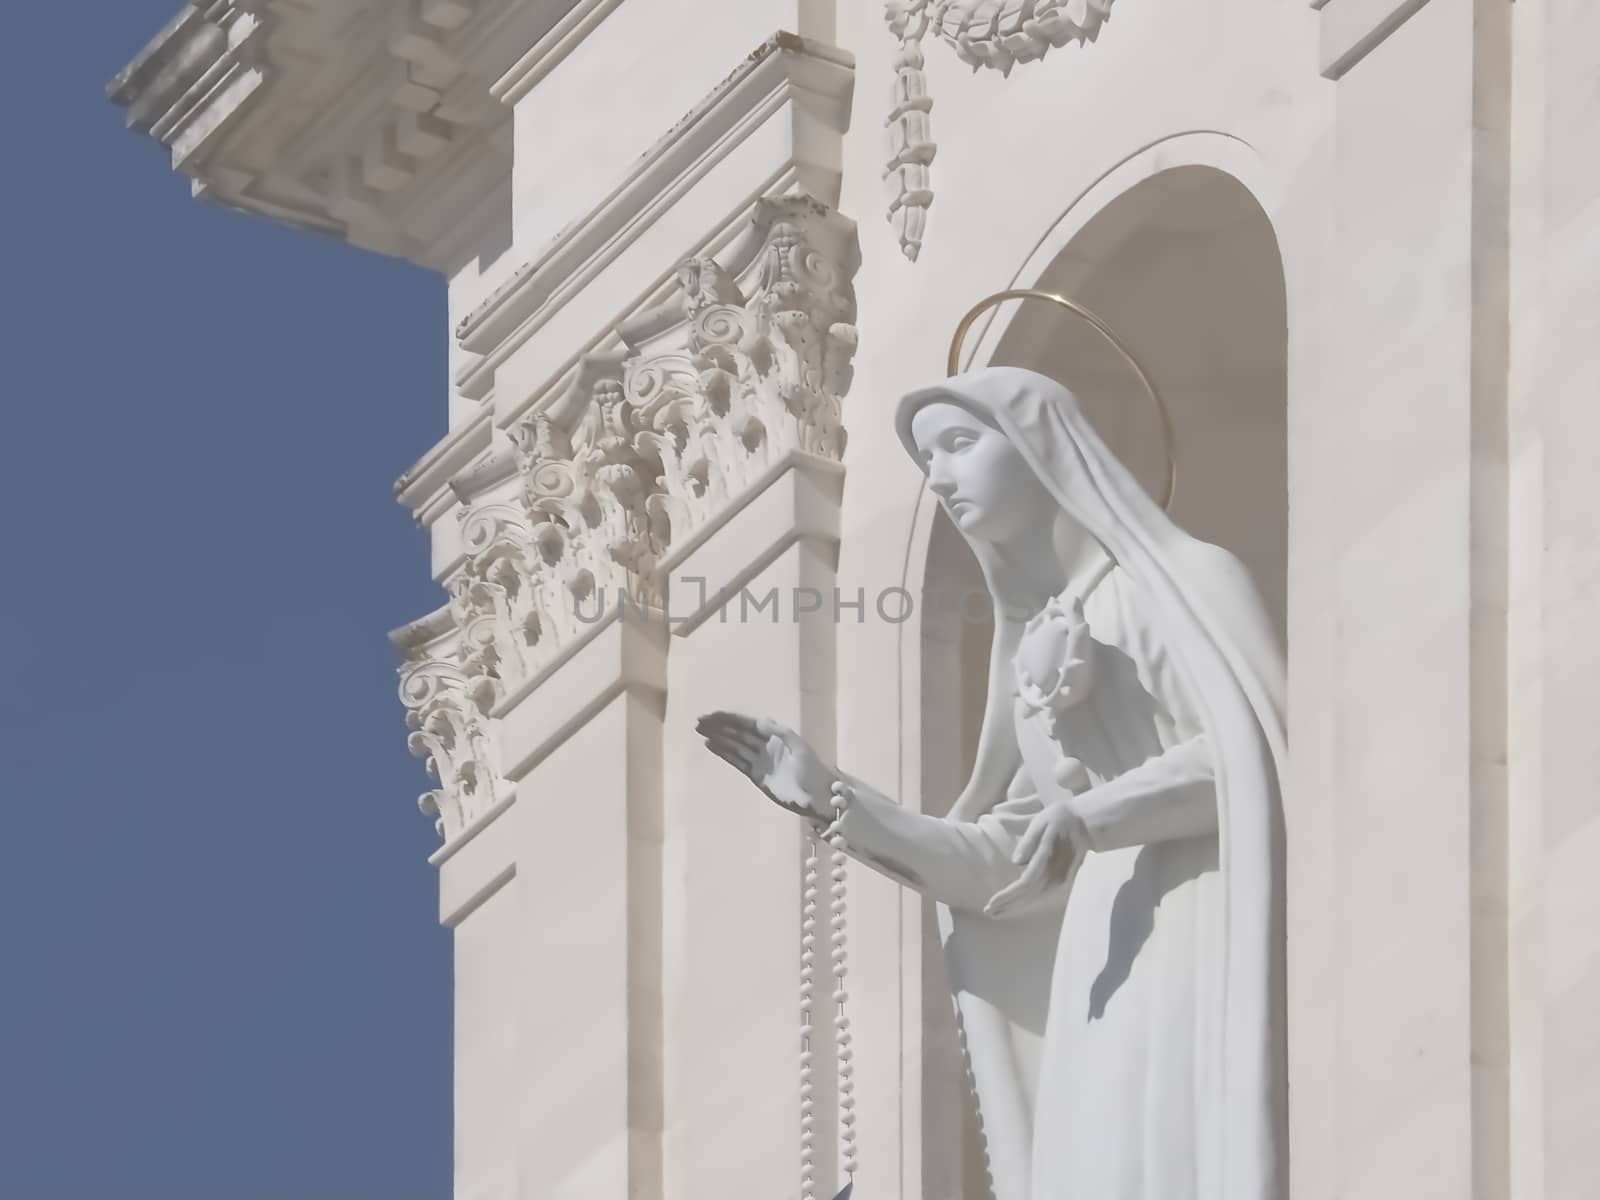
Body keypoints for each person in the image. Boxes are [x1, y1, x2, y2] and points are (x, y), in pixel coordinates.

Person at [698, 366, 1286, 1199]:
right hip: (1100, 954)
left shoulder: (1183, 586)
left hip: (1196, 920)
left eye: (960, 444)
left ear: (1042, 445)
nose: (939, 476)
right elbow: (1003, 864)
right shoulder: (1025, 663)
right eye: (928, 459)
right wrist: (835, 799)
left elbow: (1249, 756)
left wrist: (1092, 816)